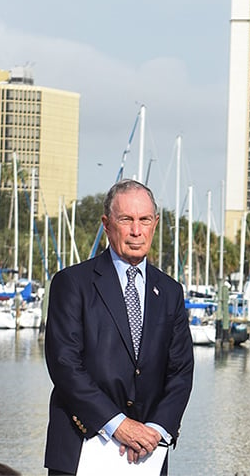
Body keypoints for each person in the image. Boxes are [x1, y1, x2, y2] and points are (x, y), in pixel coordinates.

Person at [43, 179, 194, 475]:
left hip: (148, 455)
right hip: (82, 448)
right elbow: (65, 364)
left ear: (156, 223)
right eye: (126, 220)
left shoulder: (171, 291)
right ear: (107, 224)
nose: (137, 231)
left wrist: (156, 431)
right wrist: (118, 425)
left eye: (145, 220)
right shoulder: (72, 284)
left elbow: (181, 371)